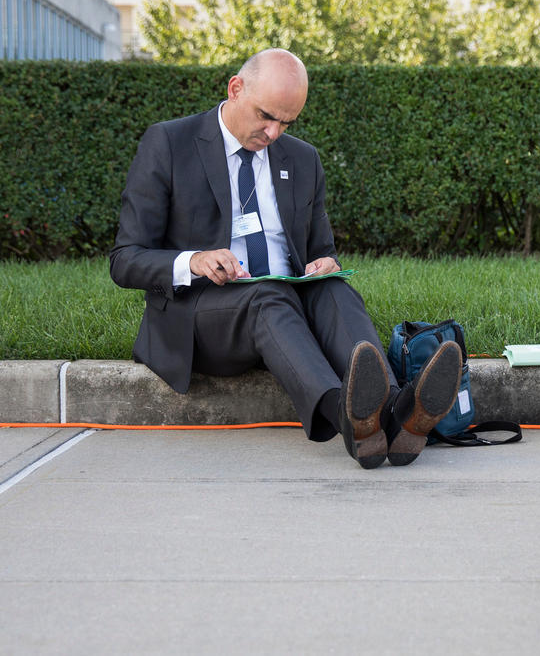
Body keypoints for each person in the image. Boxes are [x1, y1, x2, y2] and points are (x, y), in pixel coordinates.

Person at [110, 48, 461, 470]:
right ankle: (350, 419)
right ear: (235, 89)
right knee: (268, 295)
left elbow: (319, 250)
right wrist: (194, 259)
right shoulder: (169, 142)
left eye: (286, 123)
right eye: (266, 116)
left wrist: (324, 263)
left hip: (287, 313)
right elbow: (125, 259)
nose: (274, 133)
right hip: (205, 317)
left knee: (333, 289)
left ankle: (393, 410)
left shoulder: (303, 159)